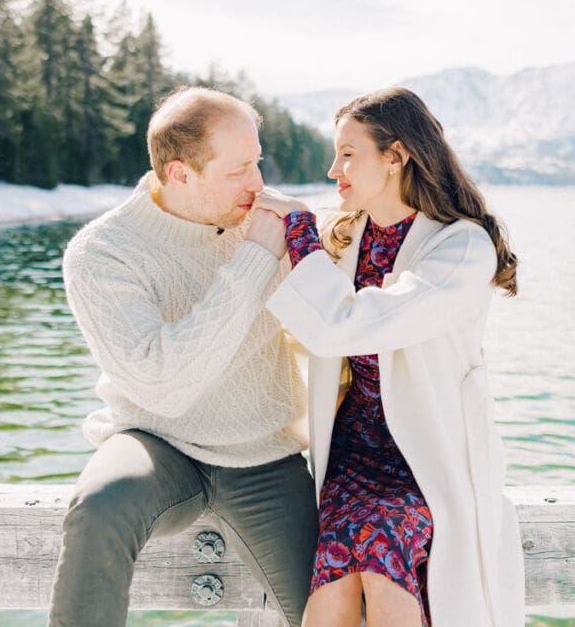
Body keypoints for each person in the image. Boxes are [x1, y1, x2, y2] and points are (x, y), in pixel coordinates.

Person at [252, 87, 526, 627]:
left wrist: (299, 228)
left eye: (349, 154)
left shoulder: (460, 247)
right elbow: (297, 320)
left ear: (396, 156)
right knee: (335, 577)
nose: (334, 170)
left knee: (380, 549)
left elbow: (347, 324)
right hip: (352, 453)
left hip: (424, 457)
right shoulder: (344, 237)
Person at [48, 86, 317, 627]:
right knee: (99, 507)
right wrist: (256, 259)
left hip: (266, 453)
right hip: (156, 442)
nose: (258, 184)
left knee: (332, 610)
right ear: (180, 174)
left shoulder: (274, 219)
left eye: (258, 163)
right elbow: (162, 386)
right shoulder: (102, 253)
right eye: (239, 169)